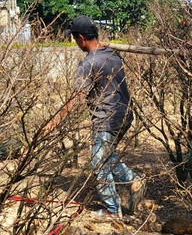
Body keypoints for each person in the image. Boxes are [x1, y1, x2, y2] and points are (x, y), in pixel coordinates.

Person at [47, 15, 145, 220]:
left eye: (74, 38)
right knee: (105, 157)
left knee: (99, 164)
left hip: (106, 119)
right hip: (125, 115)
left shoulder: (88, 64)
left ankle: (112, 210)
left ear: (81, 38)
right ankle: (133, 181)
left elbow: (76, 98)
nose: (75, 43)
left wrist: (55, 121)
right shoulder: (113, 54)